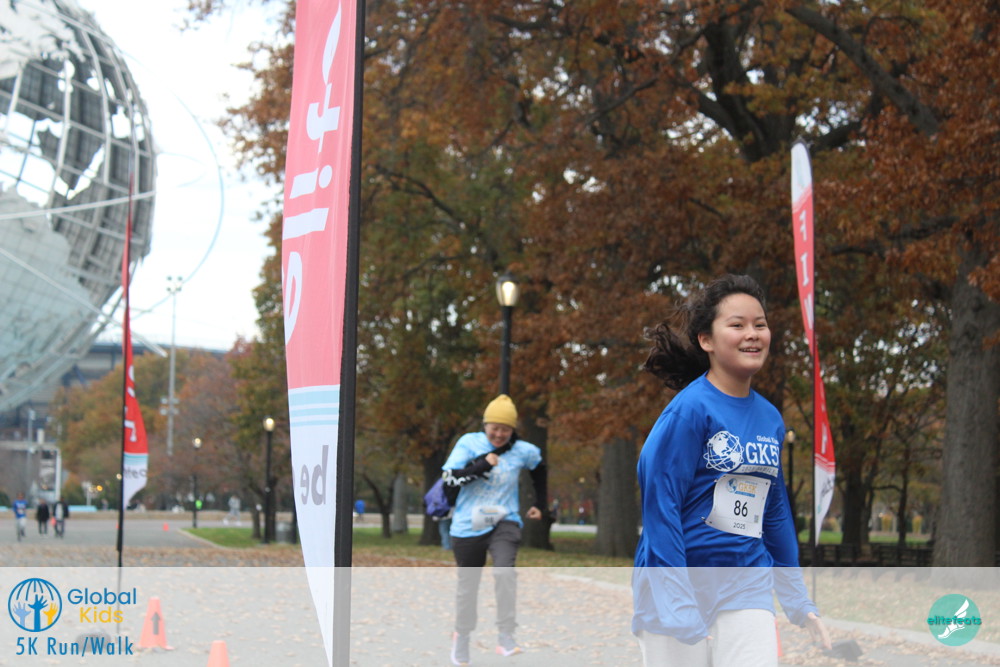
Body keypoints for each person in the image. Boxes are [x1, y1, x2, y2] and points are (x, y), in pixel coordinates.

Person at [632, 274, 831, 666]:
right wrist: (679, 604)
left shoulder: (770, 419)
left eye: (760, 324)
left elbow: (774, 513)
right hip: (676, 587)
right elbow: (660, 508)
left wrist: (797, 601)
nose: (752, 334)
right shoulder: (689, 411)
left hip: (745, 583)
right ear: (707, 340)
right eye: (737, 325)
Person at [442, 394, 546, 666]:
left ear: (513, 429)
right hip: (467, 525)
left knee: (504, 572)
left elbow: (539, 468)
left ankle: (506, 635)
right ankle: (462, 635)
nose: (499, 434)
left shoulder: (522, 450)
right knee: (468, 586)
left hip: (504, 520)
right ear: (485, 425)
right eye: (495, 428)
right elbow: (449, 479)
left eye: (505, 429)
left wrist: (540, 504)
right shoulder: (468, 443)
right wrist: (482, 465)